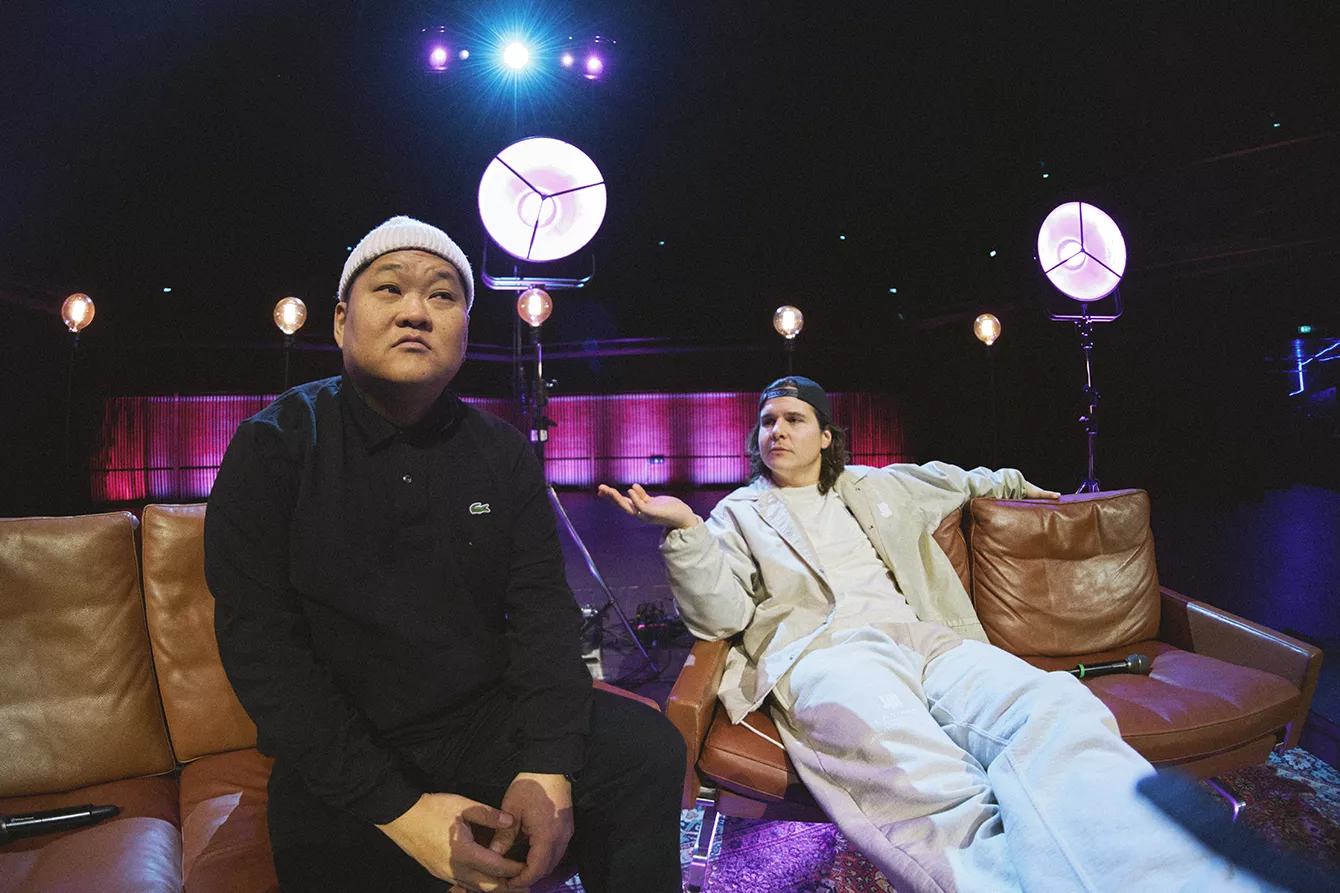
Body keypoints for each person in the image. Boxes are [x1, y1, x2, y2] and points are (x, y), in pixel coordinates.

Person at [600, 375, 1282, 893]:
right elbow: (719, 617)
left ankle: (1168, 876)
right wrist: (685, 531)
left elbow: (966, 481)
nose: (776, 430)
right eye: (767, 421)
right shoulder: (738, 513)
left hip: (928, 640)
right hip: (827, 654)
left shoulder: (882, 485)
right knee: (921, 772)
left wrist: (1022, 487)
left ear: (827, 435)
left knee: (1052, 707)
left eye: (794, 418)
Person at [205, 216, 685, 893]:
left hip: (483, 723)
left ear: (464, 329)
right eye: (389, 289)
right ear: (341, 321)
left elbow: (543, 616)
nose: (415, 312)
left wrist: (546, 765)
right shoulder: (275, 444)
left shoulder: (501, 451)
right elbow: (261, 648)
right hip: (344, 742)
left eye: (441, 295)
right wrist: (401, 812)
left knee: (646, 750)